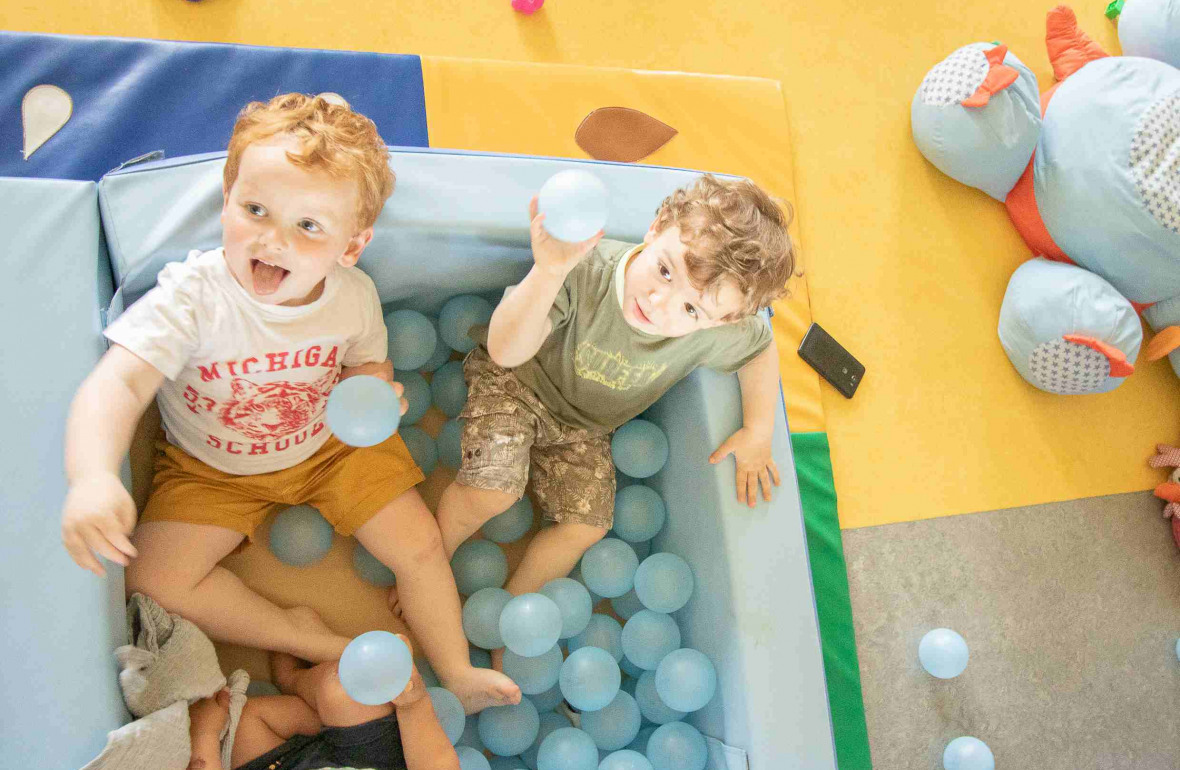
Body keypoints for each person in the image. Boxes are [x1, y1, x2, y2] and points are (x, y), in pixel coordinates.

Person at [59, 92, 518, 713]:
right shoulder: (193, 299)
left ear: (351, 246)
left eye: (308, 227)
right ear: (226, 201)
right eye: (255, 210)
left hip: (331, 448)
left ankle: (456, 667)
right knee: (153, 582)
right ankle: (300, 633)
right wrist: (90, 475)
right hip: (211, 468)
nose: (272, 240)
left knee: (419, 545)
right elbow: (118, 383)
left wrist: (374, 388)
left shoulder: (352, 295)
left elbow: (365, 358)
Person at [413, 174, 794, 660]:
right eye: (663, 271)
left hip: (583, 428)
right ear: (656, 227)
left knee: (587, 525)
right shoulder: (587, 272)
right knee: (494, 489)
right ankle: (430, 559)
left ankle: (513, 617)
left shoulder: (715, 332)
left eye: (692, 309)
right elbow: (505, 350)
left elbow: (760, 349)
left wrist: (758, 429)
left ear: (722, 322)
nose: (660, 304)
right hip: (516, 384)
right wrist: (549, 273)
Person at [187, 639, 457, 770]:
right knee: (340, 690)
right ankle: (293, 680)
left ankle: (316, 708)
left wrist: (205, 737)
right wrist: (413, 705)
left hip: (279, 764)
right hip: (369, 760)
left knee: (246, 720)